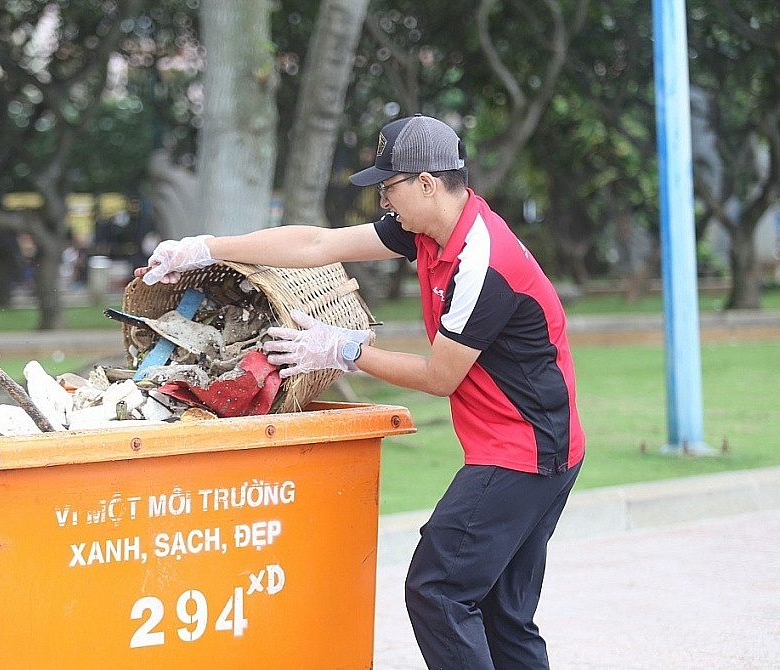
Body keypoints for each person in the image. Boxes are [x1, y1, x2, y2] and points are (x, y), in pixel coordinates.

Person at [135, 114, 585, 669]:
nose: (383, 202)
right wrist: (205, 247)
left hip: (526, 450)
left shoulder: (483, 264)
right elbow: (319, 244)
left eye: (389, 186)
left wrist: (344, 350)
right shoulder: (432, 229)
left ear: (426, 183)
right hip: (545, 446)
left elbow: (441, 377)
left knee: (437, 590)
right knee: (500, 615)